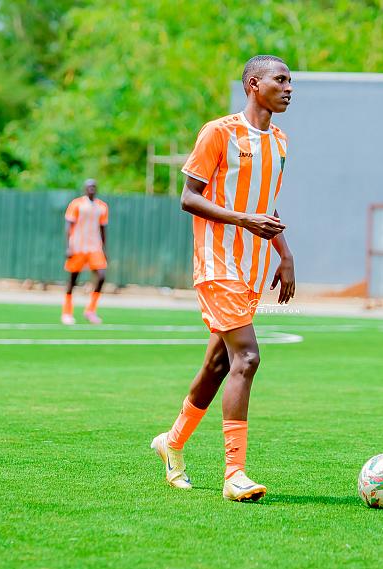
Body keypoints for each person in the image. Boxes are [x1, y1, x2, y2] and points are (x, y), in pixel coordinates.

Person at [151, 55, 295, 502]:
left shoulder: (281, 141)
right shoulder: (219, 132)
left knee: (218, 364)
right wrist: (242, 219)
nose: (289, 88)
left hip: (251, 268)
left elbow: (265, 206)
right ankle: (235, 475)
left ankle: (172, 442)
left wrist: (285, 254)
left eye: (291, 81)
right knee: (247, 358)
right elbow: (188, 197)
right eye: (280, 80)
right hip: (217, 264)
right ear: (253, 84)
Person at [61, 179, 108, 325]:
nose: (91, 189)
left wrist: (104, 248)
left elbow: (103, 228)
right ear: (84, 189)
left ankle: (90, 310)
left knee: (101, 276)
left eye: (94, 186)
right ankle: (67, 312)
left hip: (94, 246)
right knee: (73, 279)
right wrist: (68, 246)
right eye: (89, 187)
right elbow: (68, 226)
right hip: (78, 246)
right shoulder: (76, 204)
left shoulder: (102, 206)